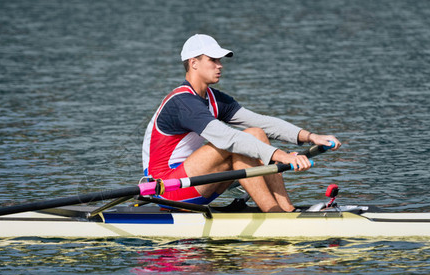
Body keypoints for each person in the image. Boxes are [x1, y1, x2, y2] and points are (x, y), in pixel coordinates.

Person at [142, 34, 342, 212]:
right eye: (213, 60)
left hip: (197, 181)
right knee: (237, 143)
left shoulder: (213, 98)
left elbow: (262, 123)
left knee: (255, 132)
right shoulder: (182, 102)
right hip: (167, 189)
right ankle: (273, 214)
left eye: (219, 60)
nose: (219, 65)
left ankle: (285, 209)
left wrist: (311, 137)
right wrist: (283, 156)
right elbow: (228, 138)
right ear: (194, 63)